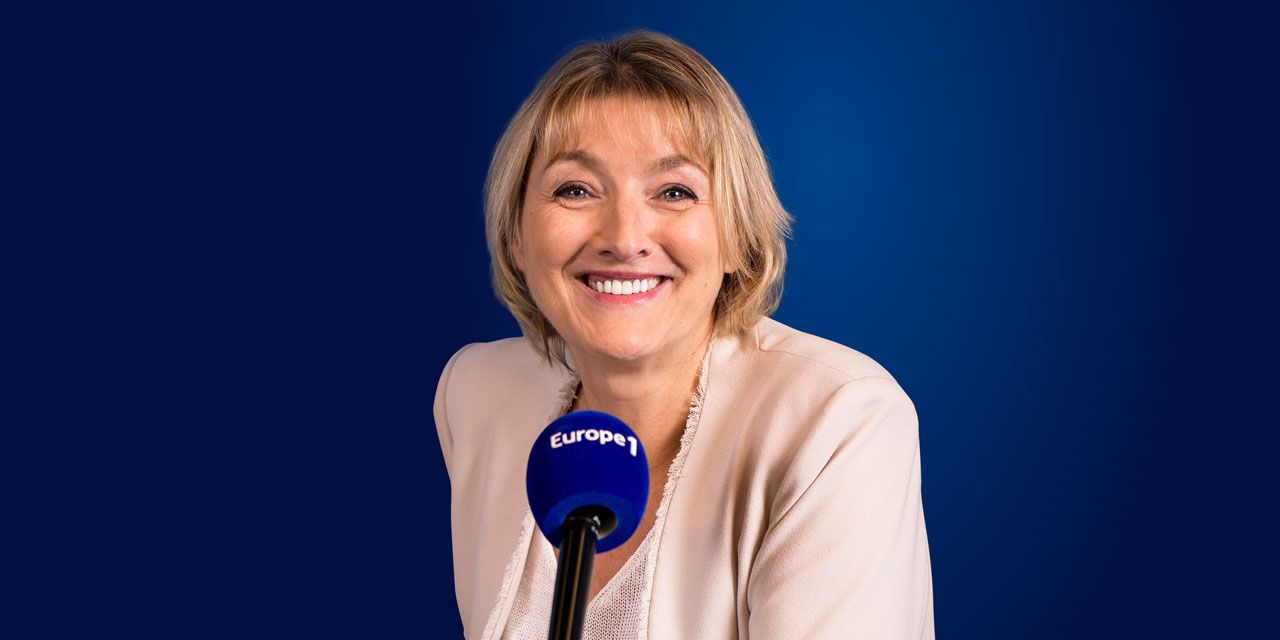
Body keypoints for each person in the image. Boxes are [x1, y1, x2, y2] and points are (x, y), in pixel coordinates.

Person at [434, 30, 934, 639]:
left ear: (738, 236)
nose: (624, 238)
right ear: (515, 234)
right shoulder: (477, 395)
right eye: (575, 189)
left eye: (675, 192)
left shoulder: (838, 420)